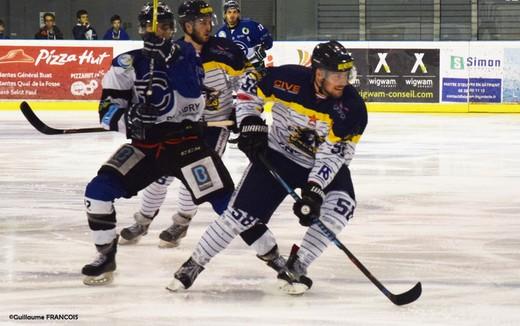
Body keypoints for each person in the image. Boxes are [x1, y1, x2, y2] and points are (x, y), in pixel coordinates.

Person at [167, 40, 368, 295]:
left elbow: (335, 155)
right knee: (238, 215)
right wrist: (250, 120)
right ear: (319, 73)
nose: (343, 81)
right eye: (337, 75)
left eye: (346, 74)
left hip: (319, 164)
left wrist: (315, 189)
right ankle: (193, 265)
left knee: (341, 206)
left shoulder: (352, 109)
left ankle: (298, 264)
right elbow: (250, 86)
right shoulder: (288, 79)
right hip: (278, 156)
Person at [81, 1, 234, 286]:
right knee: (105, 189)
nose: (158, 33)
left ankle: (188, 223)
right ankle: (110, 251)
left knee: (213, 192)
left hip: (191, 137)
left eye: (164, 27)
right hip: (150, 144)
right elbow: (109, 108)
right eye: (152, 27)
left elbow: (196, 99)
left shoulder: (191, 54)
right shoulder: (129, 62)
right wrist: (129, 119)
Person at [119, 0, 247, 248]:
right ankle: (143, 221)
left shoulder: (227, 50)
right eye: (202, 22)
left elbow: (246, 85)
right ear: (187, 25)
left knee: (197, 177)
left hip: (214, 125)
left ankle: (182, 221)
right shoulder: (172, 52)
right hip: (180, 126)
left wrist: (242, 112)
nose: (209, 26)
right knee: (161, 175)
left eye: (210, 21)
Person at [215, 0, 273, 69]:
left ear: (238, 14)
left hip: (255, 66)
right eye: (229, 12)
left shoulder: (250, 25)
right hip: (234, 71)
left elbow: (268, 39)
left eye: (234, 12)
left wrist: (263, 48)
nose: (232, 15)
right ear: (225, 14)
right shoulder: (220, 34)